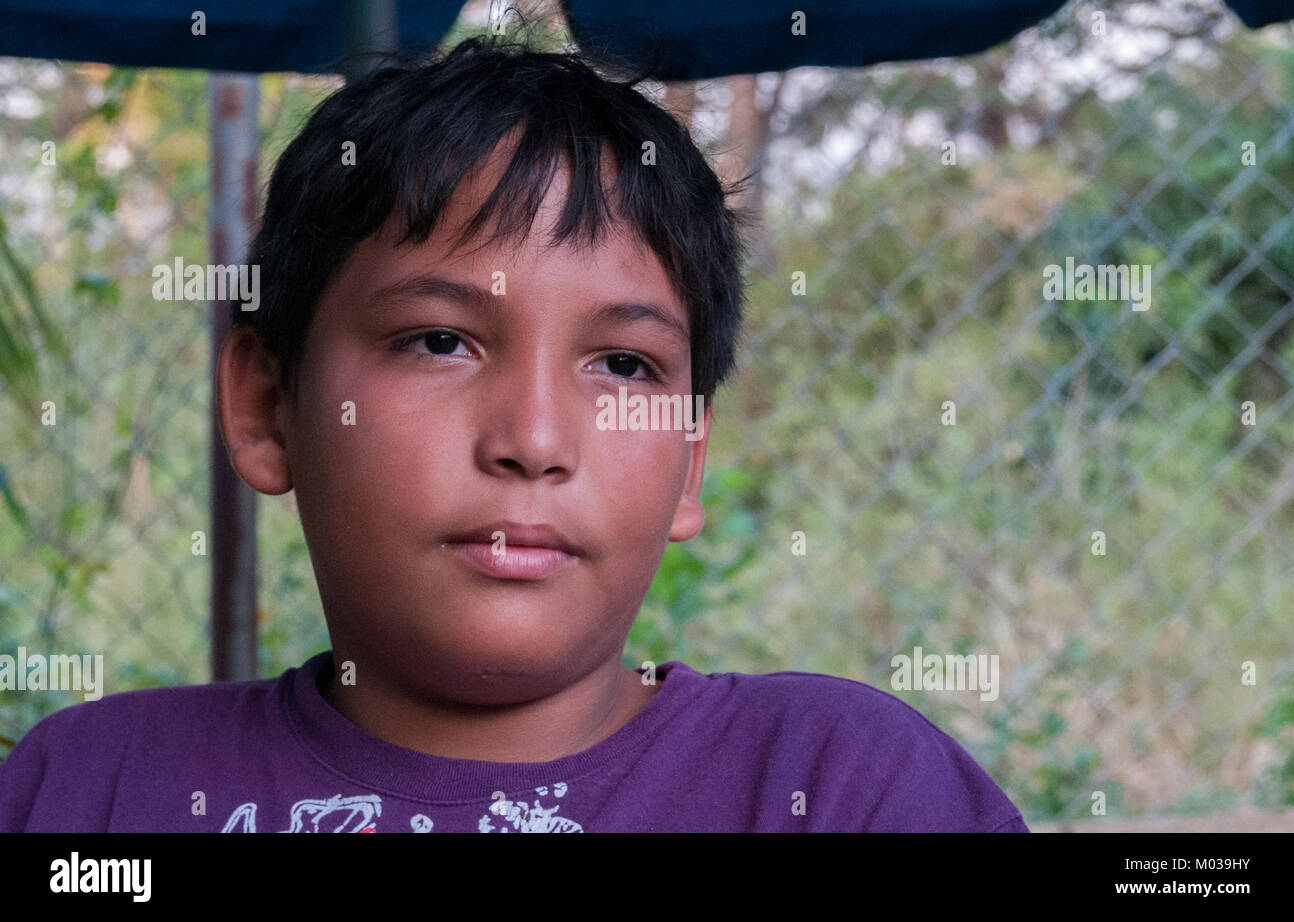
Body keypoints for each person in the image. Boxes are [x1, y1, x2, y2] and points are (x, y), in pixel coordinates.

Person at [0, 34, 1028, 833]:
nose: (533, 438)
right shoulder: (87, 791)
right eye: (440, 340)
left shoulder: (840, 787)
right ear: (267, 405)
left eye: (622, 365)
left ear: (688, 461)